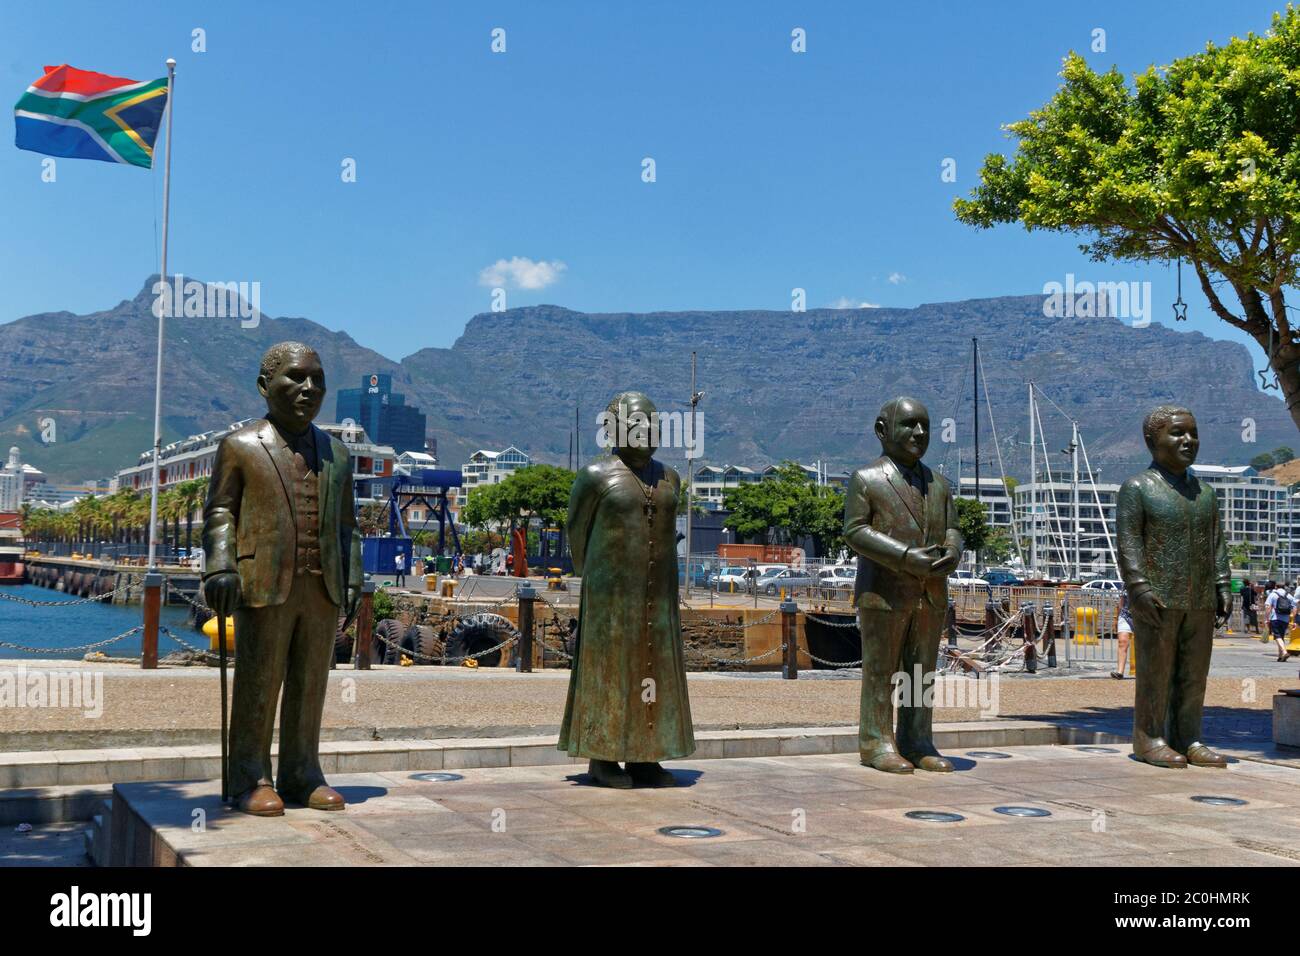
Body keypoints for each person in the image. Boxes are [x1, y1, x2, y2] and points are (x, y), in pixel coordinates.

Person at [202, 342, 362, 815]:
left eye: (317, 379)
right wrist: (221, 565)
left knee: (311, 682)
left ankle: (302, 772)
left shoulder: (338, 454)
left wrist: (354, 577)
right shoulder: (240, 446)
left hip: (322, 585)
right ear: (264, 386)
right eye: (296, 377)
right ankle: (250, 776)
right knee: (259, 679)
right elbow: (219, 513)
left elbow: (347, 526)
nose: (309, 388)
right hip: (264, 582)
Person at [558, 391, 694, 788]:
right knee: (610, 672)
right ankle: (601, 759)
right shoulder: (595, 476)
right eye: (636, 425)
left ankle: (645, 756)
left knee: (655, 671)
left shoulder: (670, 478)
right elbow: (577, 535)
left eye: (652, 424)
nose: (646, 432)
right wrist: (599, 581)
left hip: (658, 599)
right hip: (609, 600)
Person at [843, 396, 963, 774]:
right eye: (910, 424)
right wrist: (906, 557)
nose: (920, 433)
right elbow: (855, 531)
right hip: (884, 591)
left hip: (930, 593)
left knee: (921, 671)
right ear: (882, 431)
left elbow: (954, 529)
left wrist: (953, 551)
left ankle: (917, 739)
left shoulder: (939, 484)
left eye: (924, 425)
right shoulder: (867, 480)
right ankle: (876, 741)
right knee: (881, 672)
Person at [1116, 405, 1231, 769]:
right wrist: (1138, 587)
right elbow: (1129, 542)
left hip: (1199, 599)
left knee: (1194, 674)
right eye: (1178, 433)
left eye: (1193, 433)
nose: (1188, 441)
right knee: (1156, 674)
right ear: (1153, 441)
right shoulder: (1137, 488)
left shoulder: (1206, 493)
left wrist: (1223, 583)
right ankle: (1149, 738)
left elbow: (1217, 542)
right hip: (1158, 599)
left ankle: (1189, 737)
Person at [1266, 579, 1293, 662]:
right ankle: (1280, 656)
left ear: (1275, 587)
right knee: (1281, 636)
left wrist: (1267, 618)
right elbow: (1295, 606)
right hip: (1285, 619)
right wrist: (1292, 617)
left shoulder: (1273, 594)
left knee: (1277, 636)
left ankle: (1284, 652)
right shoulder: (1289, 595)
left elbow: (1268, 607)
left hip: (1275, 618)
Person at [1112, 588, 1133, 680]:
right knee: (1122, 642)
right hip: (1125, 615)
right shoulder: (1125, 584)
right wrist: (1117, 618)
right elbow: (1121, 601)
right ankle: (1120, 672)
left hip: (1143, 616)